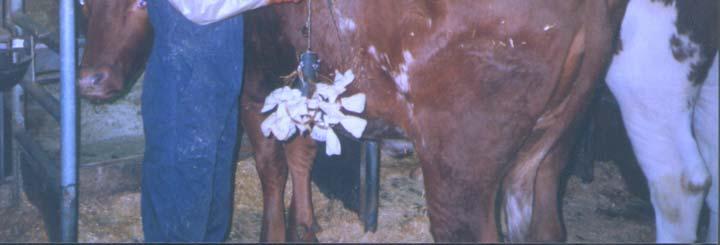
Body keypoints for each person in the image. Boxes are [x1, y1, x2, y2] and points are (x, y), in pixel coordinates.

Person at [141, 0, 298, 242]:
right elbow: (198, 7)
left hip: (217, 80)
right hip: (183, 82)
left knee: (213, 191)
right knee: (181, 191)